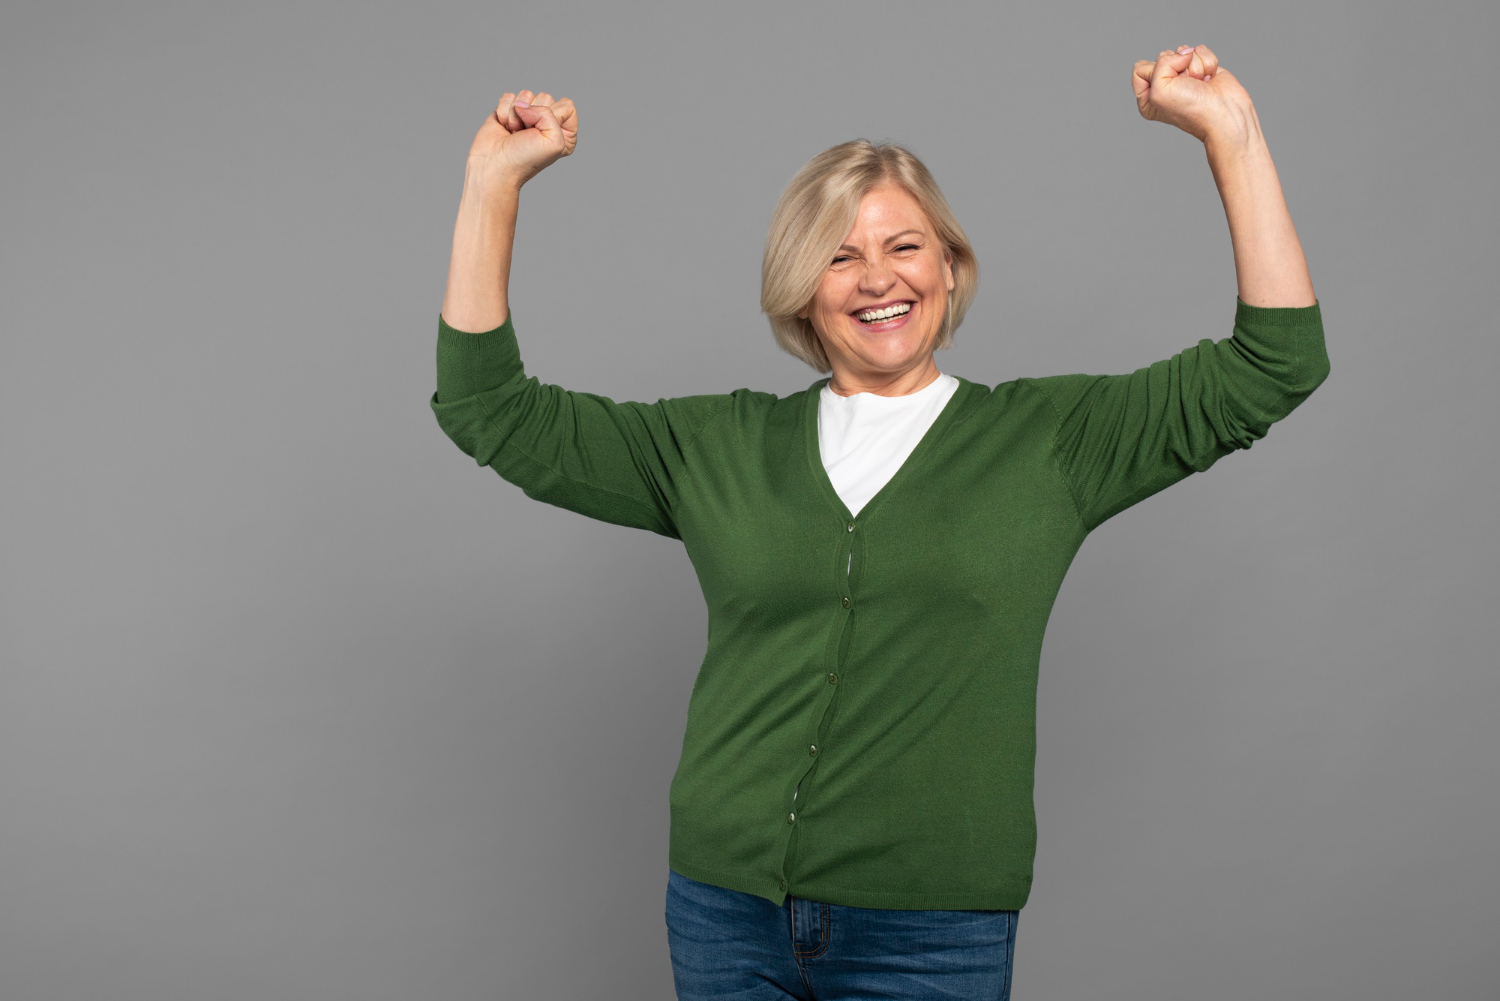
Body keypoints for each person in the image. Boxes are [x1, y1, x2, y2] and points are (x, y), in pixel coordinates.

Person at [431, 43, 1328, 1001]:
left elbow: (1274, 363)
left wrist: (1231, 135)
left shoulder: (1051, 441)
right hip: (724, 911)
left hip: (931, 930)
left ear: (948, 264)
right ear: (801, 289)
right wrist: (492, 182)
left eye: (903, 245)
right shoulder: (718, 446)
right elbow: (490, 410)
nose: (875, 278)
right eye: (839, 255)